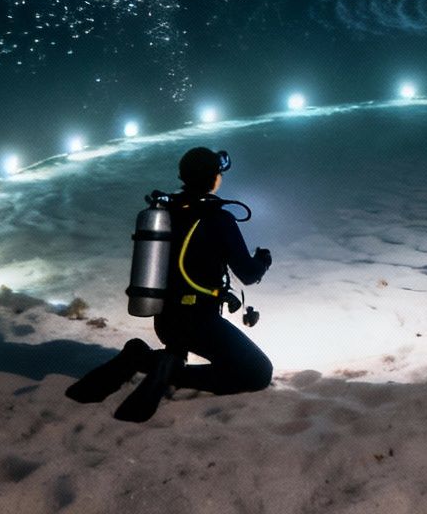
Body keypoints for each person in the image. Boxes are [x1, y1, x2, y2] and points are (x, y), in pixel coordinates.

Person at [66, 146, 273, 420]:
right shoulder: (218, 218)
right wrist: (263, 260)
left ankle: (141, 357)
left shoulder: (167, 212)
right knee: (257, 373)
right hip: (200, 323)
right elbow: (247, 273)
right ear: (213, 178)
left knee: (223, 355)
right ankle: (168, 369)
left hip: (166, 321)